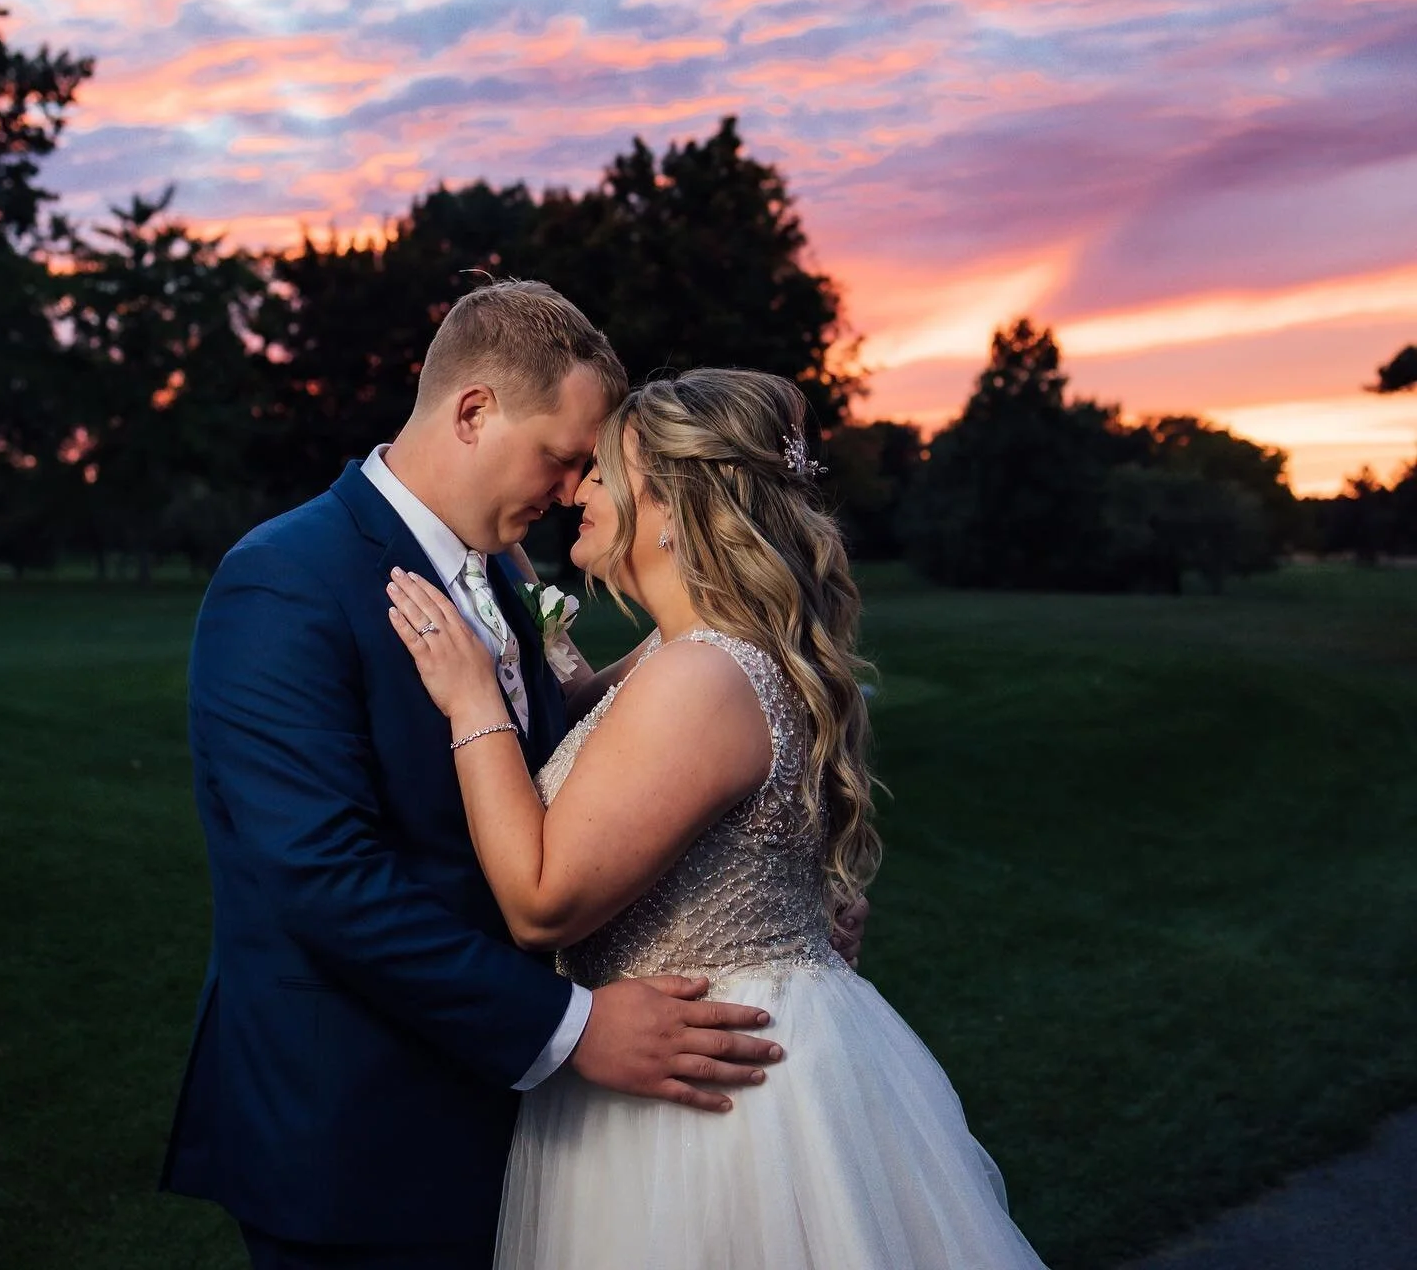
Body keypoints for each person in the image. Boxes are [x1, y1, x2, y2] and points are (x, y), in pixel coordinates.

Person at [161, 283, 791, 1270]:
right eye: (564, 456)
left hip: (503, 1118)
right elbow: (322, 879)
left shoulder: (502, 575)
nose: (580, 488)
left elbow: (587, 775)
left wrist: (779, 884)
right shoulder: (285, 579)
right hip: (356, 1134)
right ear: (473, 411)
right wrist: (572, 1028)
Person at [387, 365, 1050, 1270]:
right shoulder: (690, 652)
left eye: (604, 473)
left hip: (705, 1097)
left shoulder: (701, 677)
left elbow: (541, 903)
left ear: (671, 503)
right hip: (714, 1045)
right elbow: (600, 730)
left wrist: (473, 705)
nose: (576, 489)